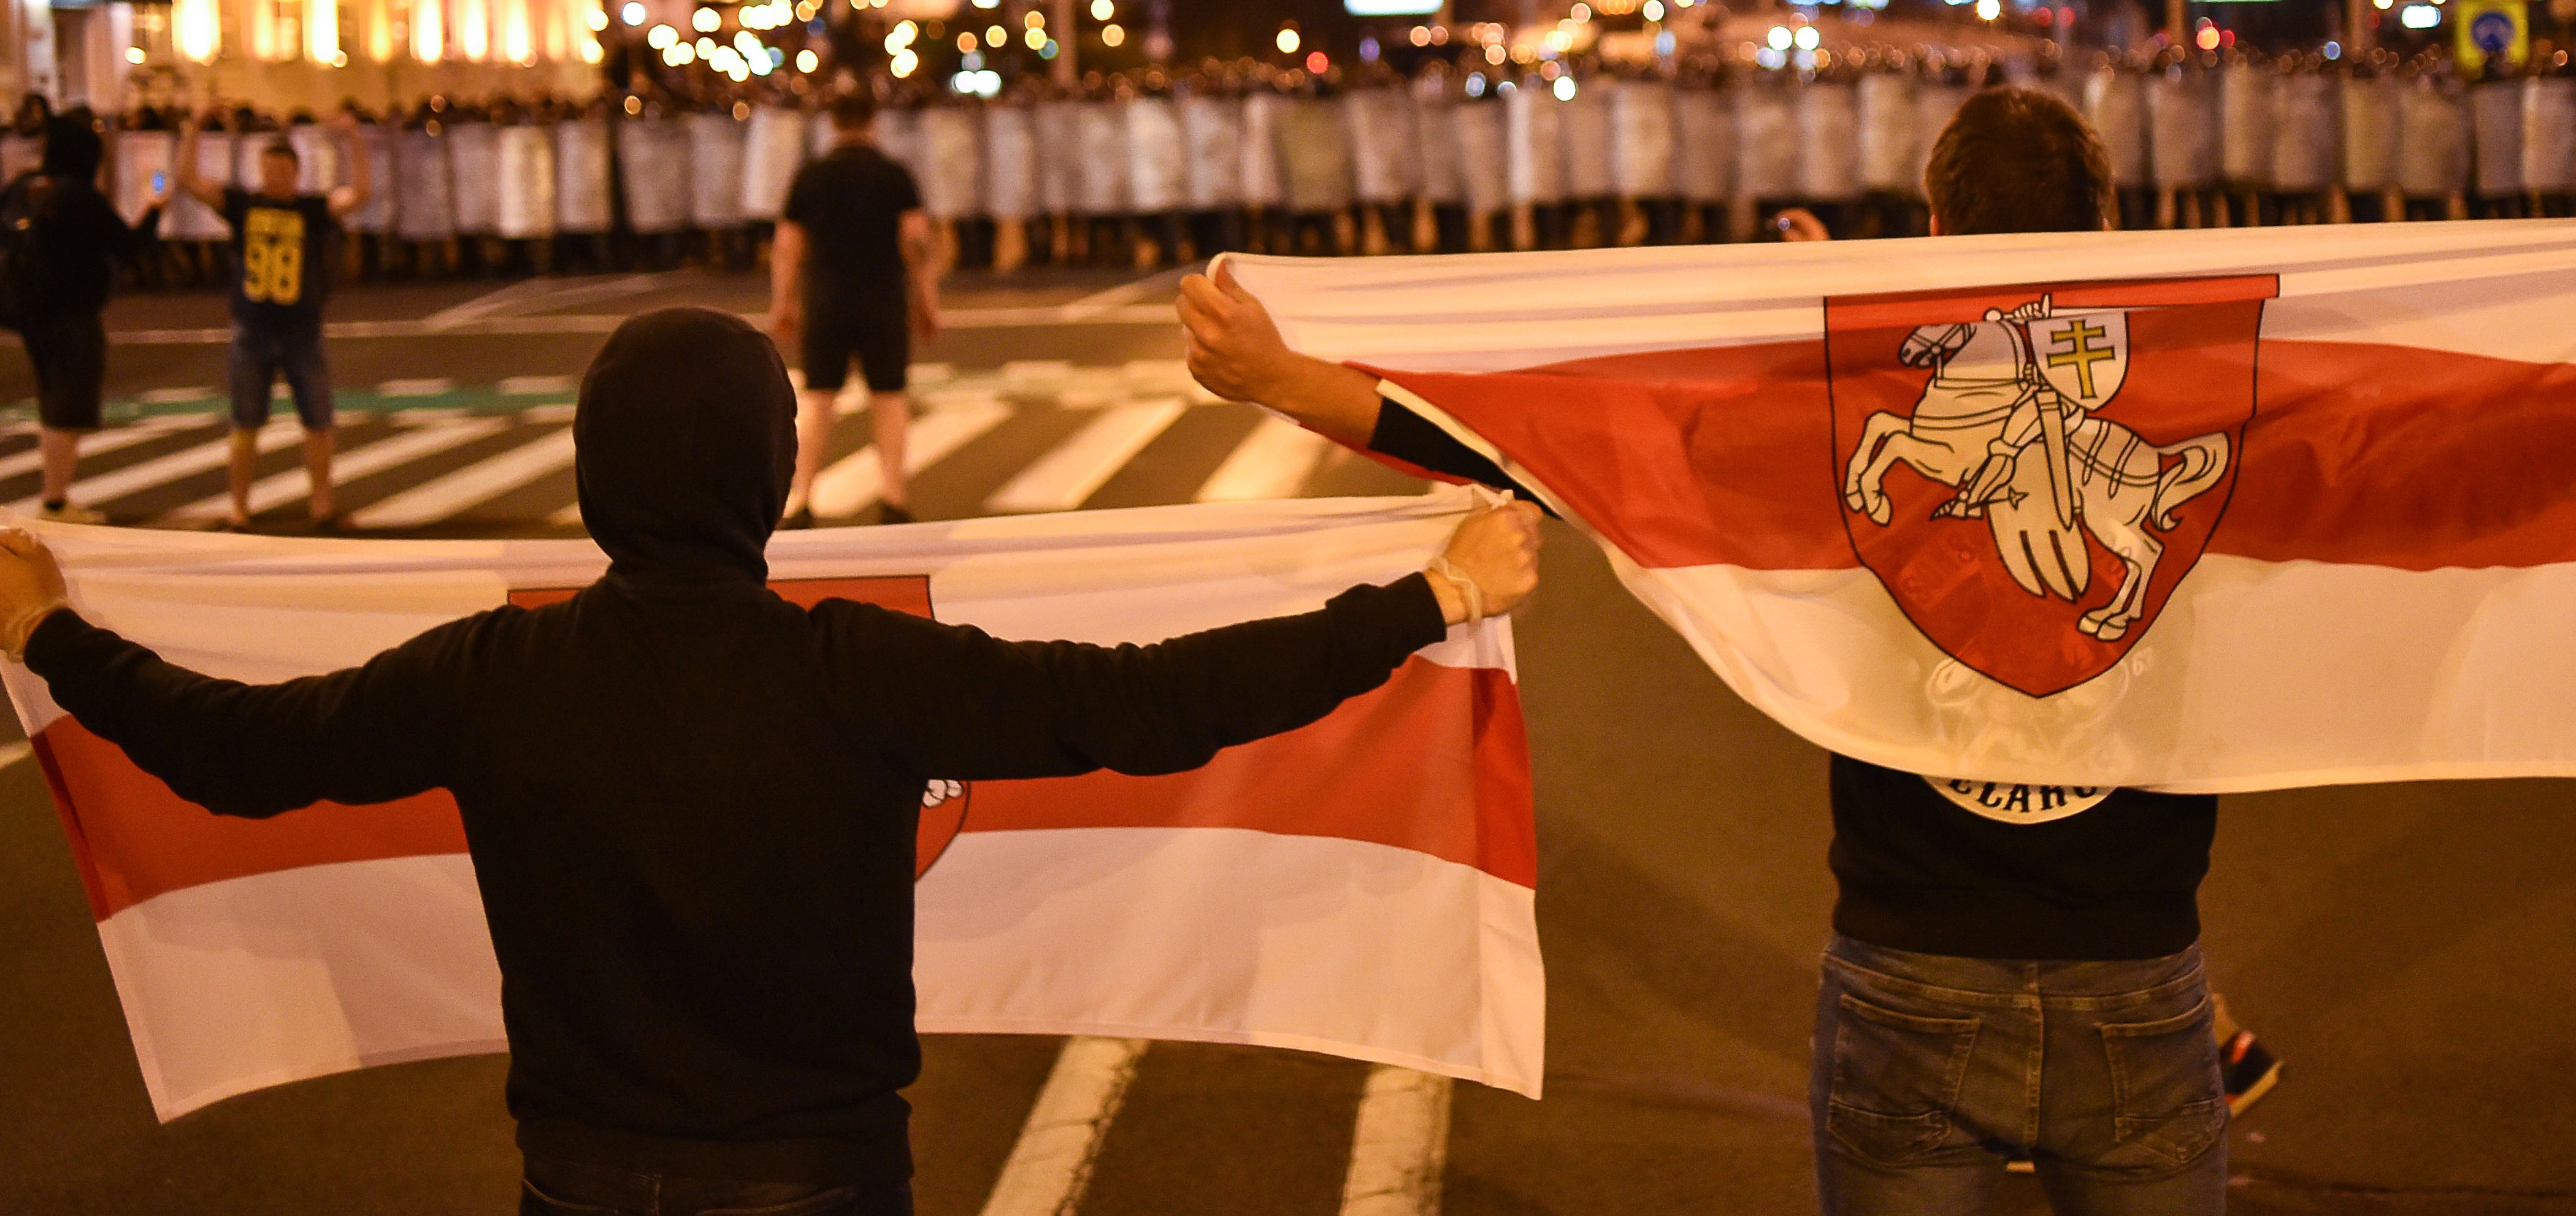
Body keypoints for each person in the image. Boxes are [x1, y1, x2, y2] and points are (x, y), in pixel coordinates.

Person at [1178, 83, 2576, 1216]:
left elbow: (1545, 430)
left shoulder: (1839, 400)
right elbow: (2481, 438)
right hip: (2140, 988)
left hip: (1902, 974)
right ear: (2105, 214)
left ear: (1936, 227)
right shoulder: (2232, 398)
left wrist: (1285, 375)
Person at [0, 305, 1541, 1214]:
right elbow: (1145, 705)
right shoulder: (851, 670)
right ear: (776, 476)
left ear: (595, 477)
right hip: (819, 1174)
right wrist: (1431, 594)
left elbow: (236, 755)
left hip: (581, 1177)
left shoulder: (495, 672)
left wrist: (50, 635)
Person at [173, 105, 363, 530]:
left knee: (318, 422)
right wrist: (195, 126)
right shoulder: (244, 205)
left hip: (302, 330)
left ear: (296, 173)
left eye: (283, 170)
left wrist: (353, 139)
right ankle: (239, 508)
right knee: (245, 423)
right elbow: (189, 181)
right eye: (269, 169)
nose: (276, 177)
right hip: (253, 329)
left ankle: (322, 506)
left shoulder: (310, 210)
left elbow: (358, 193)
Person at [773, 92, 942, 528]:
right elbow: (916, 240)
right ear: (873, 122)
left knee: (818, 399)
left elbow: (789, 246)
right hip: (883, 299)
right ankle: (893, 496)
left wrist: (783, 302)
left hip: (825, 299)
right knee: (888, 398)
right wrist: (926, 299)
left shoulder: (811, 176)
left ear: (832, 122)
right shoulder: (893, 175)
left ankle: (802, 497)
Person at [2, 112, 165, 523]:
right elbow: (129, 245)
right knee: (68, 404)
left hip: (25, 310)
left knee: (50, 398)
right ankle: (55, 501)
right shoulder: (78, 197)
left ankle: (54, 494)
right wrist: (155, 206)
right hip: (72, 313)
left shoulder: (23, 188)